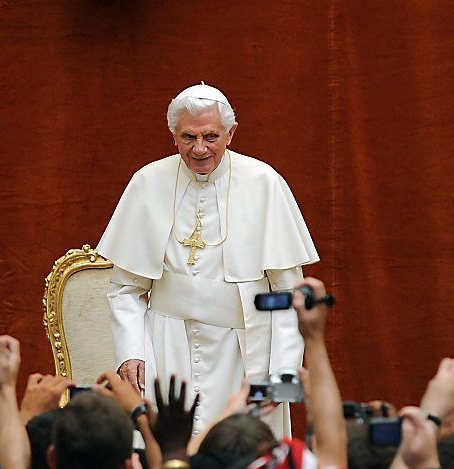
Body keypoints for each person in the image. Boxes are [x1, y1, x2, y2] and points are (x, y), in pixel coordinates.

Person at [97, 83, 318, 436]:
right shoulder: (146, 183)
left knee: (245, 459)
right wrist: (131, 353)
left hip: (245, 354)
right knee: (170, 453)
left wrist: (284, 373)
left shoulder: (264, 183)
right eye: (188, 137)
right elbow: (126, 289)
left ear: (231, 133)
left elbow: (290, 292)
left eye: (210, 136)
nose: (199, 149)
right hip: (166, 348)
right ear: (173, 136)